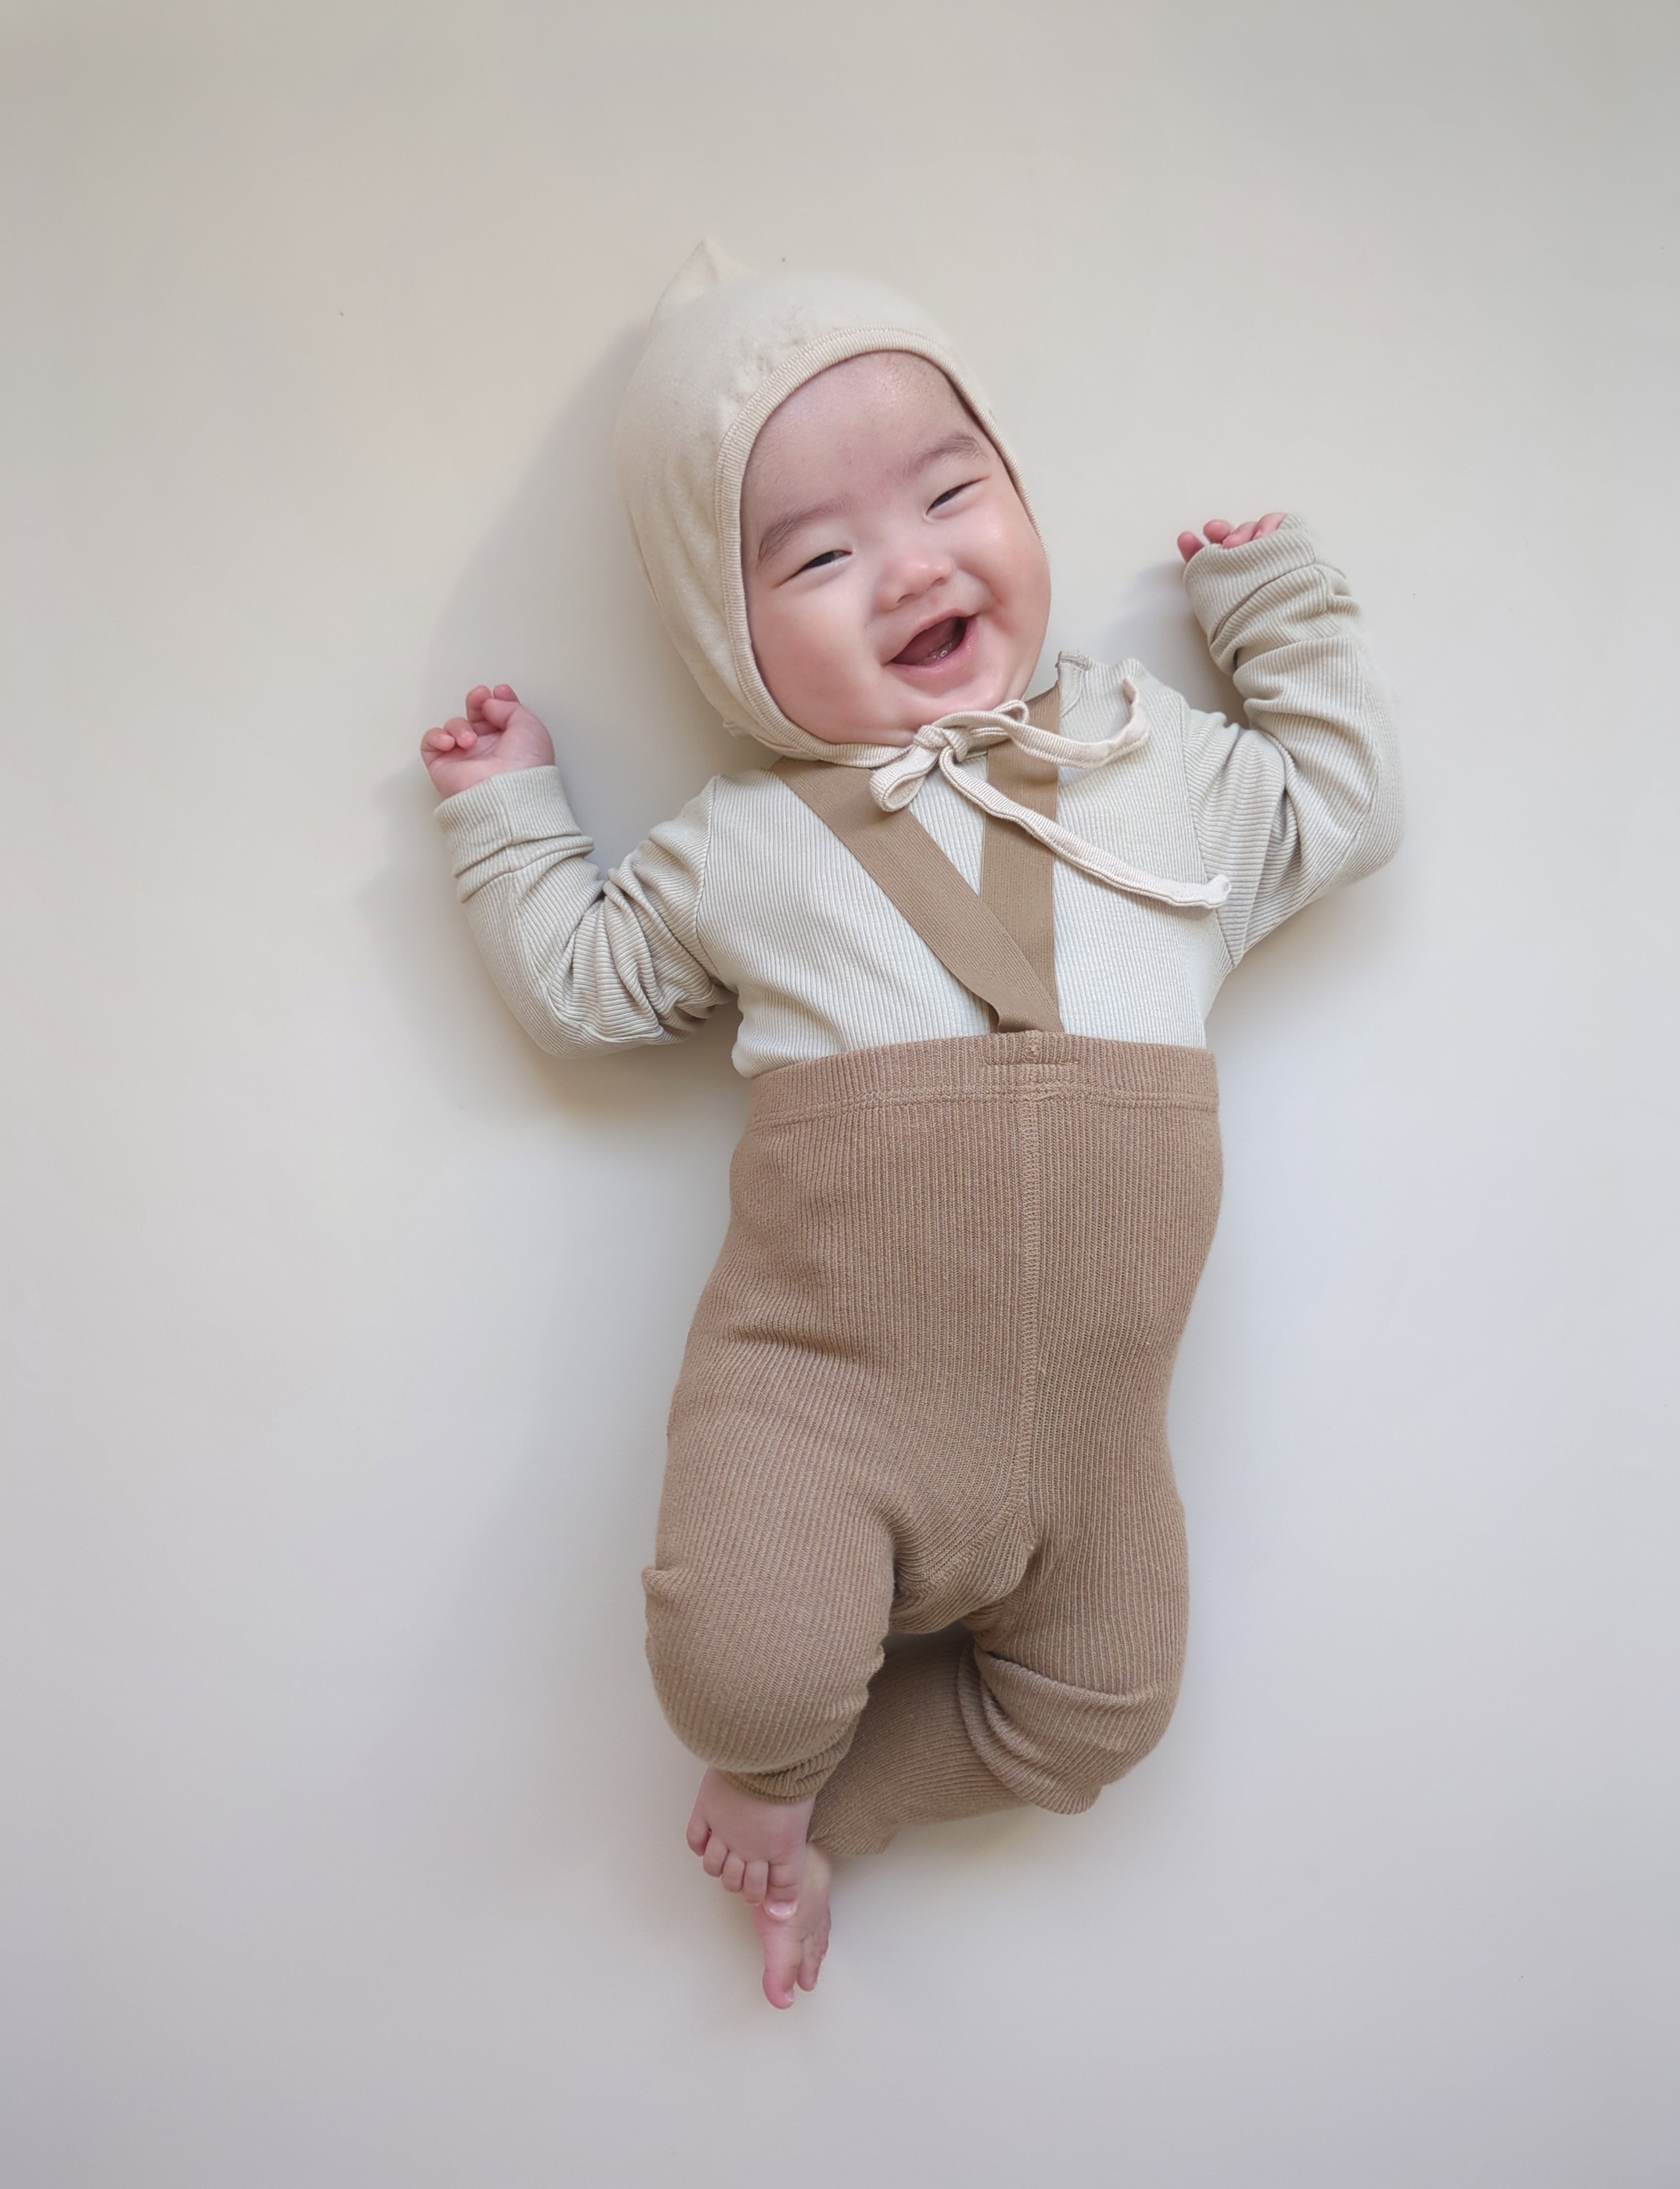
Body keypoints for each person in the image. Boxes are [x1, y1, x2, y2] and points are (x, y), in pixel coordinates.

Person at [421, 242, 1401, 2008]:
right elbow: (585, 985)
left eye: (952, 494)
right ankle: (770, 1766)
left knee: (1107, 1714)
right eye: (819, 555)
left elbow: (1344, 807)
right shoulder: (746, 841)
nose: (915, 564)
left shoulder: (1151, 759)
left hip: (1098, 1447)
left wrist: (1277, 608)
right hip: (824, 1397)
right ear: (726, 635)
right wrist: (509, 816)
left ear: (1015, 487)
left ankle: (826, 1815)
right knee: (742, 1671)